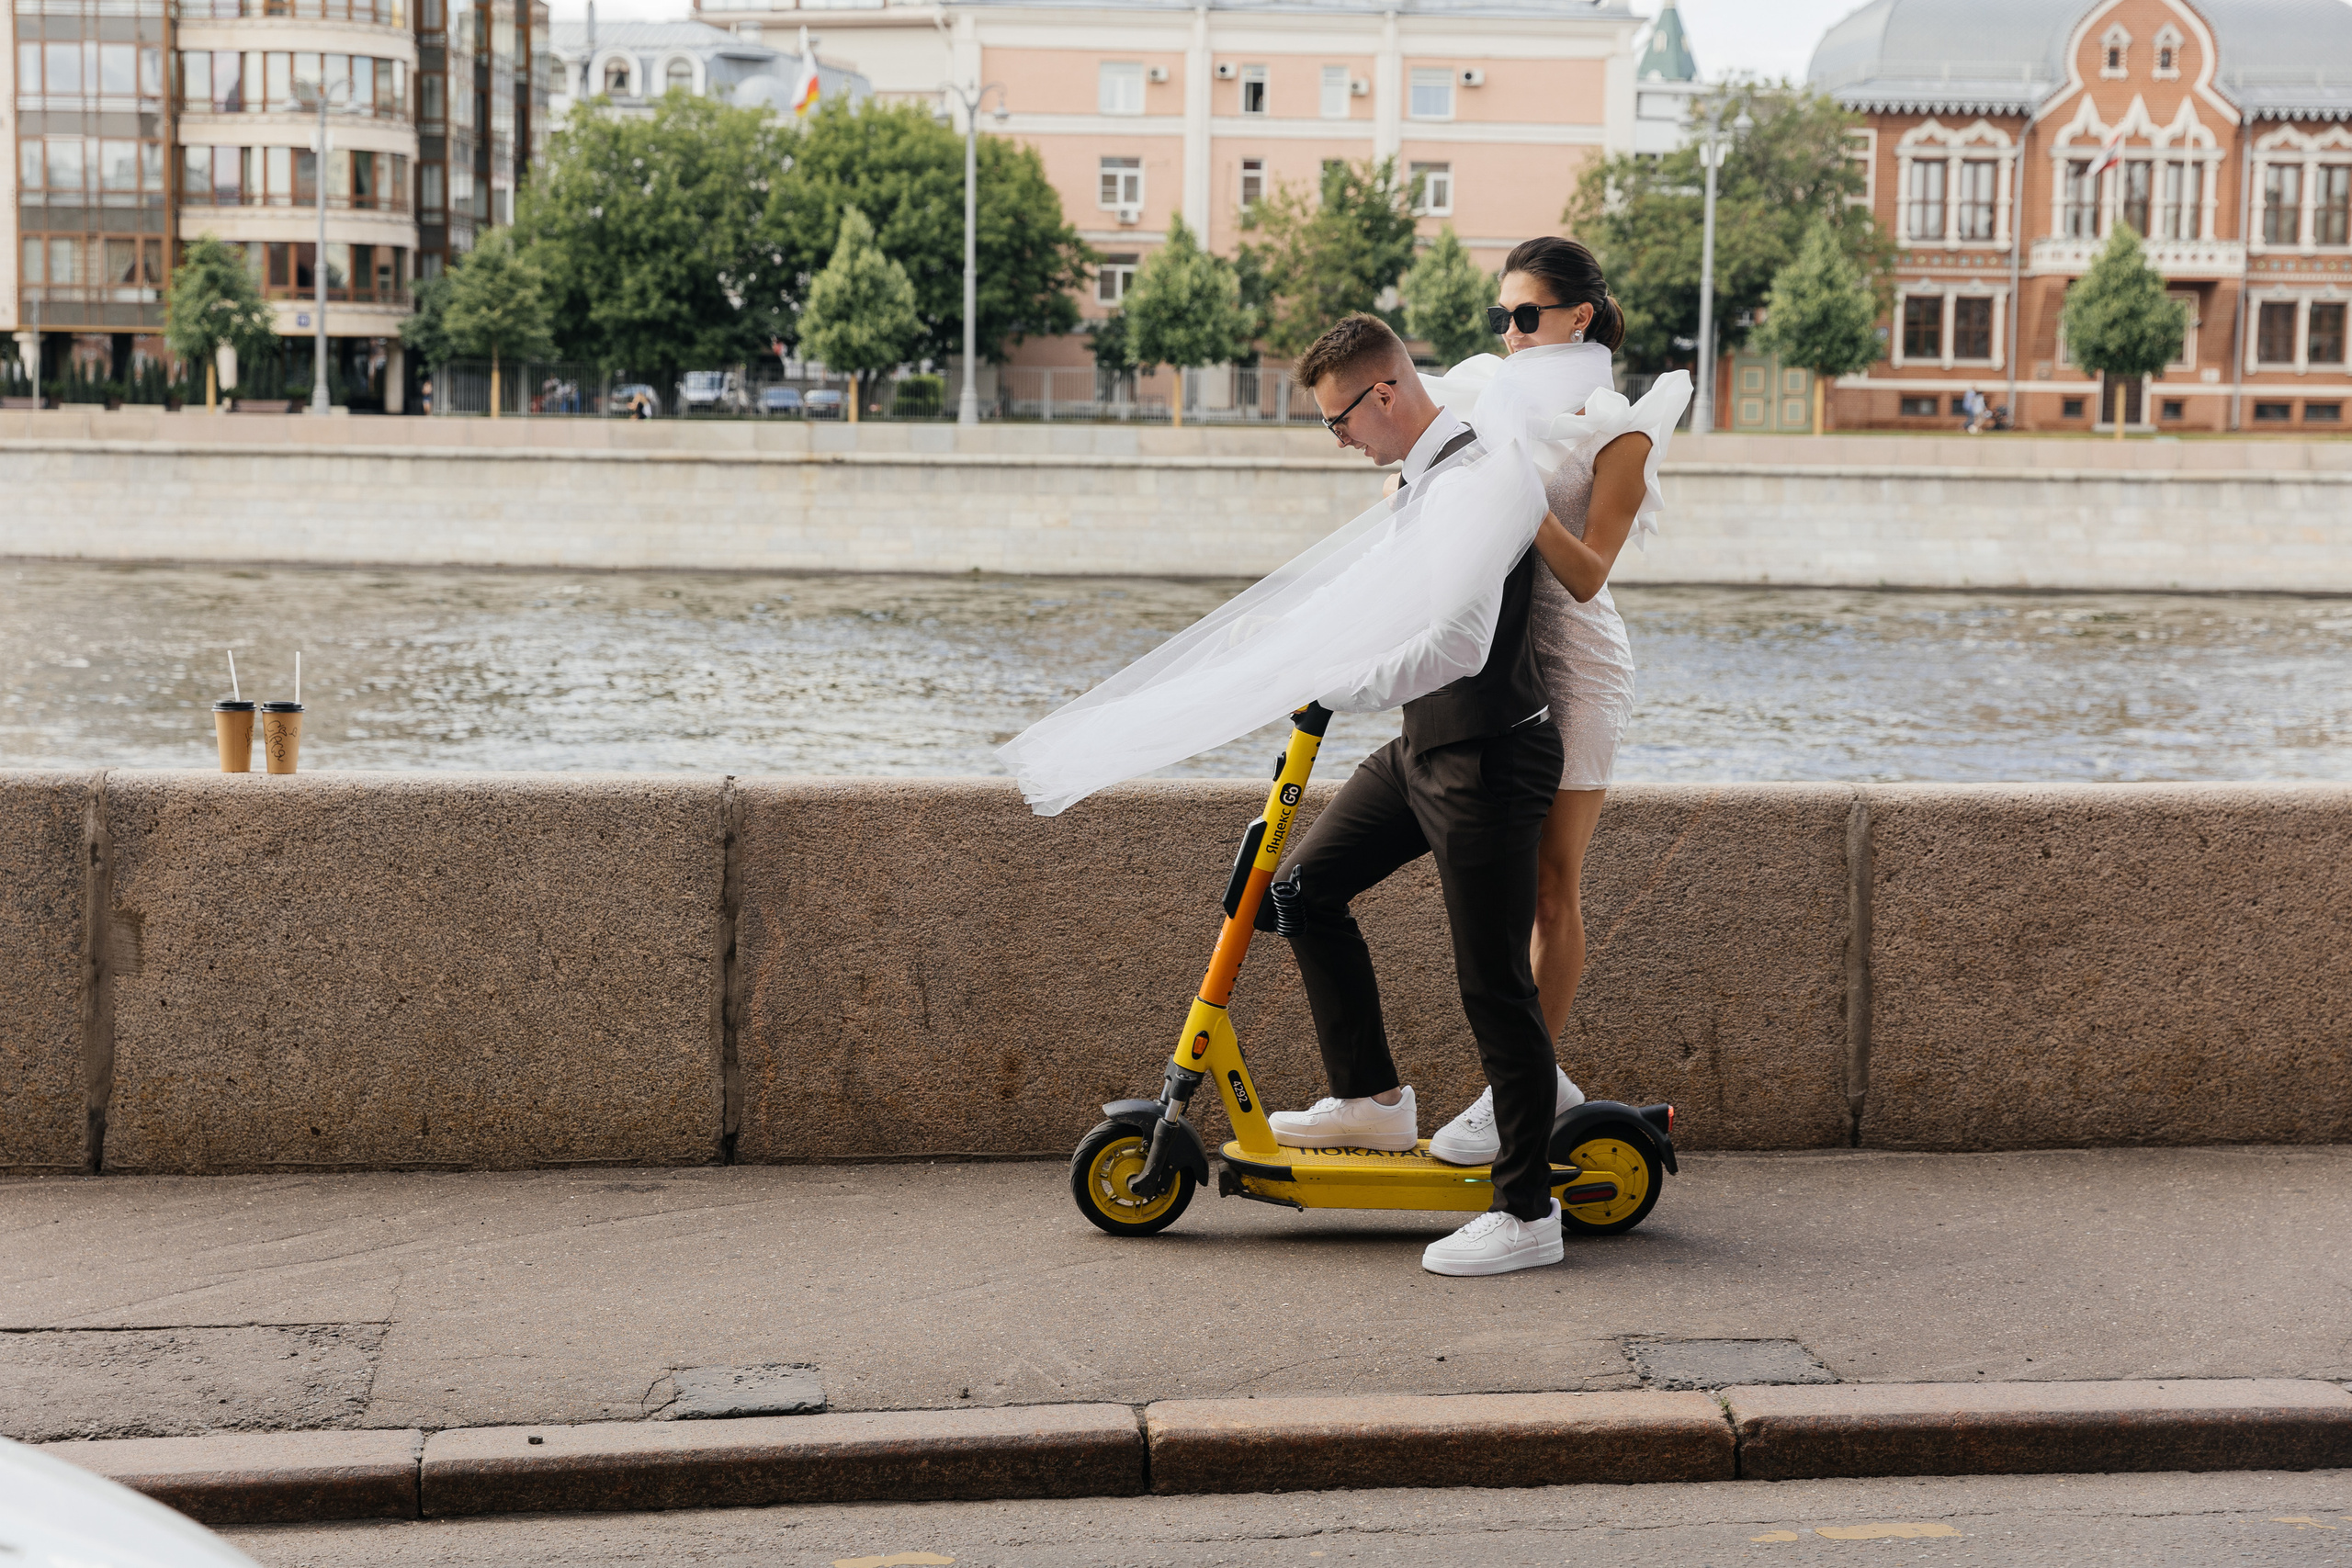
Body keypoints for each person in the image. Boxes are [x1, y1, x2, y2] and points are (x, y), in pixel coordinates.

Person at [1257, 311, 1571, 1278]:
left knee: (1493, 989)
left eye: (1339, 419)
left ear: (1384, 394)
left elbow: (1459, 647)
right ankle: (1372, 1102)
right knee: (1297, 892)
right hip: (1424, 748)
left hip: (1487, 762)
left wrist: (1332, 688)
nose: (1338, 439)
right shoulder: (1423, 475)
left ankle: (1526, 1213)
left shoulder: (1475, 483)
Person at [1419, 238, 1656, 1173]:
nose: (1511, 334)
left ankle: (1521, 1083)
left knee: (1553, 888)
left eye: (1527, 316)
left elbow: (1590, 574)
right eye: (1501, 318)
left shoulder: (1619, 430)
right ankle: (1537, 1081)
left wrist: (1523, 496)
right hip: (1500, 666)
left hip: (1580, 666)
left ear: (1578, 319)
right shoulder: (1500, 402)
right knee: (1505, 891)